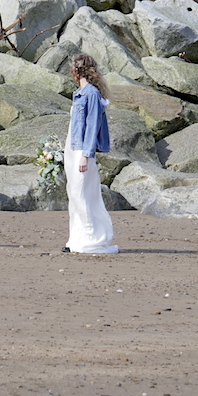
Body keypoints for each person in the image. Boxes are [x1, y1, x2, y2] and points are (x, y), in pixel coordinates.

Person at [63, 54, 118, 254]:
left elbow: (92, 125)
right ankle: (76, 239)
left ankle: (92, 237)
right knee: (74, 193)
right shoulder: (80, 93)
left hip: (81, 151)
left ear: (76, 71)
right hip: (73, 149)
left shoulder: (92, 94)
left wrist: (86, 155)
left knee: (82, 194)